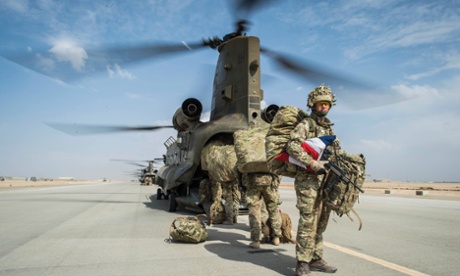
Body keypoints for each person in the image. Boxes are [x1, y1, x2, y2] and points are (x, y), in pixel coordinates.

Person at [287, 84, 339, 275]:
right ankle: (302, 262)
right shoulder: (306, 125)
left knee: (322, 220)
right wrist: (311, 162)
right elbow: (292, 145)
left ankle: (316, 258)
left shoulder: (328, 127)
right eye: (320, 103)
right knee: (308, 220)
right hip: (307, 181)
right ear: (312, 104)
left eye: (326, 103)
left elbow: (335, 152)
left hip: (325, 182)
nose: (323, 107)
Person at [242, 172, 282, 249]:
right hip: (269, 182)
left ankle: (256, 240)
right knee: (274, 211)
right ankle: (276, 237)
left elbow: (241, 168)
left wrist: (245, 183)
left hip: (253, 182)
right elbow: (278, 169)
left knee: (254, 212)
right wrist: (276, 182)